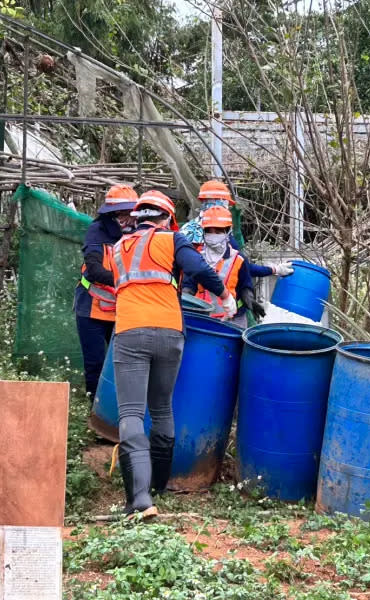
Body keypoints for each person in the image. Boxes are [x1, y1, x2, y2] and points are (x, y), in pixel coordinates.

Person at [107, 189, 235, 520]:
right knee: (162, 407)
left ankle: (139, 497)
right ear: (166, 219)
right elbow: (200, 269)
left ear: (137, 218)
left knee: (131, 414)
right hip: (169, 331)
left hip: (130, 331)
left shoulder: (118, 248)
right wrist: (225, 295)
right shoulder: (172, 240)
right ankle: (160, 485)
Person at [180, 179, 294, 320]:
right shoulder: (222, 234)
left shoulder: (185, 230)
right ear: (219, 202)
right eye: (226, 203)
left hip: (196, 311)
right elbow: (241, 267)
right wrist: (273, 270)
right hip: (218, 313)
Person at [74, 184, 137, 401]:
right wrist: (126, 281)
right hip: (91, 306)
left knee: (124, 362)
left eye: (129, 213)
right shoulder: (97, 230)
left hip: (122, 309)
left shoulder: (140, 234)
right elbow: (94, 269)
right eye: (120, 214)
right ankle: (95, 408)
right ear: (110, 214)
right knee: (95, 362)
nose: (126, 218)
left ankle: (120, 408)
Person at [182, 206, 254, 328]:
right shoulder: (195, 257)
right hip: (202, 318)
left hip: (233, 320)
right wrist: (185, 296)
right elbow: (189, 285)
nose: (213, 235)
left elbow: (245, 285)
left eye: (218, 231)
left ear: (228, 231)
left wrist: (249, 298)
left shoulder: (238, 259)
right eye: (209, 231)